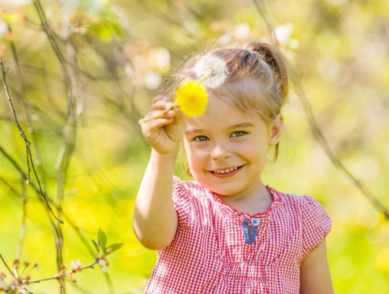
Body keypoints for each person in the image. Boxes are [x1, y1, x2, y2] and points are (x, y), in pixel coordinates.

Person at [133, 41, 333, 294]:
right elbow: (150, 236)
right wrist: (162, 154)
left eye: (238, 133)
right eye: (201, 138)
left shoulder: (303, 220)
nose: (219, 153)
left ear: (273, 130)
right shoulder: (181, 204)